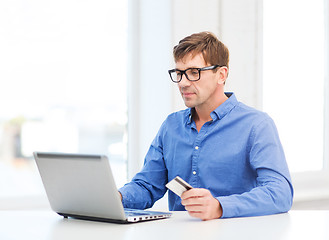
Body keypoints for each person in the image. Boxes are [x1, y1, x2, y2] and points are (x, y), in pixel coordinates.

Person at [119, 31, 293, 220]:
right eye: (179, 73)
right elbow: (147, 185)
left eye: (194, 72)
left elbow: (280, 193)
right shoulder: (171, 126)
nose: (183, 83)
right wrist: (116, 198)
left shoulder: (257, 125)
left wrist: (219, 207)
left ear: (221, 74)